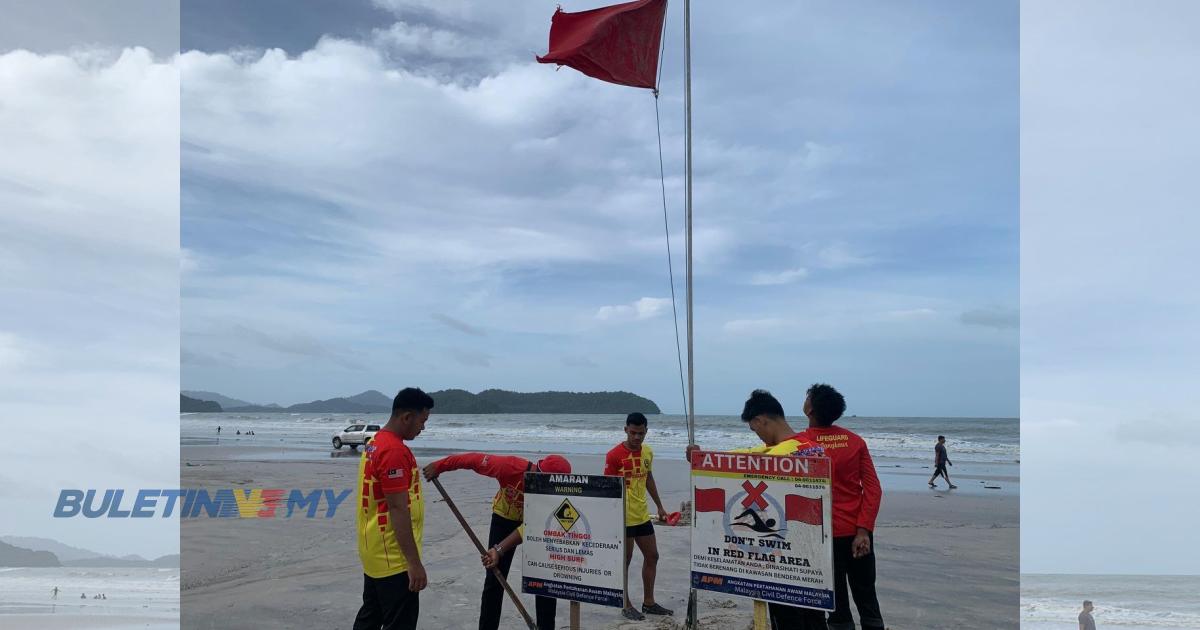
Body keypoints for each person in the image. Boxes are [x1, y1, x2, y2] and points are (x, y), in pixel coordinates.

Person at [686, 390, 828, 630]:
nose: (759, 436)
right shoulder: (812, 447)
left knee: (788, 620)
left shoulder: (778, 455)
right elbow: (754, 452)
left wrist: (701, 460)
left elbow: (755, 458)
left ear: (762, 420)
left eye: (755, 429)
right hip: (813, 557)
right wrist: (703, 456)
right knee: (814, 618)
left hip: (782, 558)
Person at [423, 450, 571, 630]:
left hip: (536, 523)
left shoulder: (558, 494)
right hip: (505, 518)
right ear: (537, 471)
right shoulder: (509, 467)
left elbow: (531, 527)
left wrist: (499, 549)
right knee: (494, 579)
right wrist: (439, 466)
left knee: (545, 582)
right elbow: (471, 460)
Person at [800, 383, 885, 630]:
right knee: (866, 595)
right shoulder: (855, 441)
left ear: (810, 409)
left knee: (835, 601)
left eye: (807, 398)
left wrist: (700, 458)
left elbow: (758, 463)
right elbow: (873, 489)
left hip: (821, 536)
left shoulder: (798, 444)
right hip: (858, 531)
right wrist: (863, 530)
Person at [352, 387, 434, 630]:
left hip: (375, 550)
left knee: (370, 617)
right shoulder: (394, 451)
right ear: (406, 417)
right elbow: (398, 508)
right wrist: (414, 563)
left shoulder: (375, 442)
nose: (423, 428)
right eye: (422, 421)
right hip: (394, 558)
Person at [605, 412, 672, 620]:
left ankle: (649, 603)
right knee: (625, 560)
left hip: (642, 515)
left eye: (640, 433)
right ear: (625, 429)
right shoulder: (614, 455)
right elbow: (607, 487)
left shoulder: (648, 452)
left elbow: (648, 477)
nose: (636, 437)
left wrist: (660, 506)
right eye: (633, 433)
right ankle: (625, 604)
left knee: (653, 556)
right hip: (622, 517)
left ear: (646, 432)